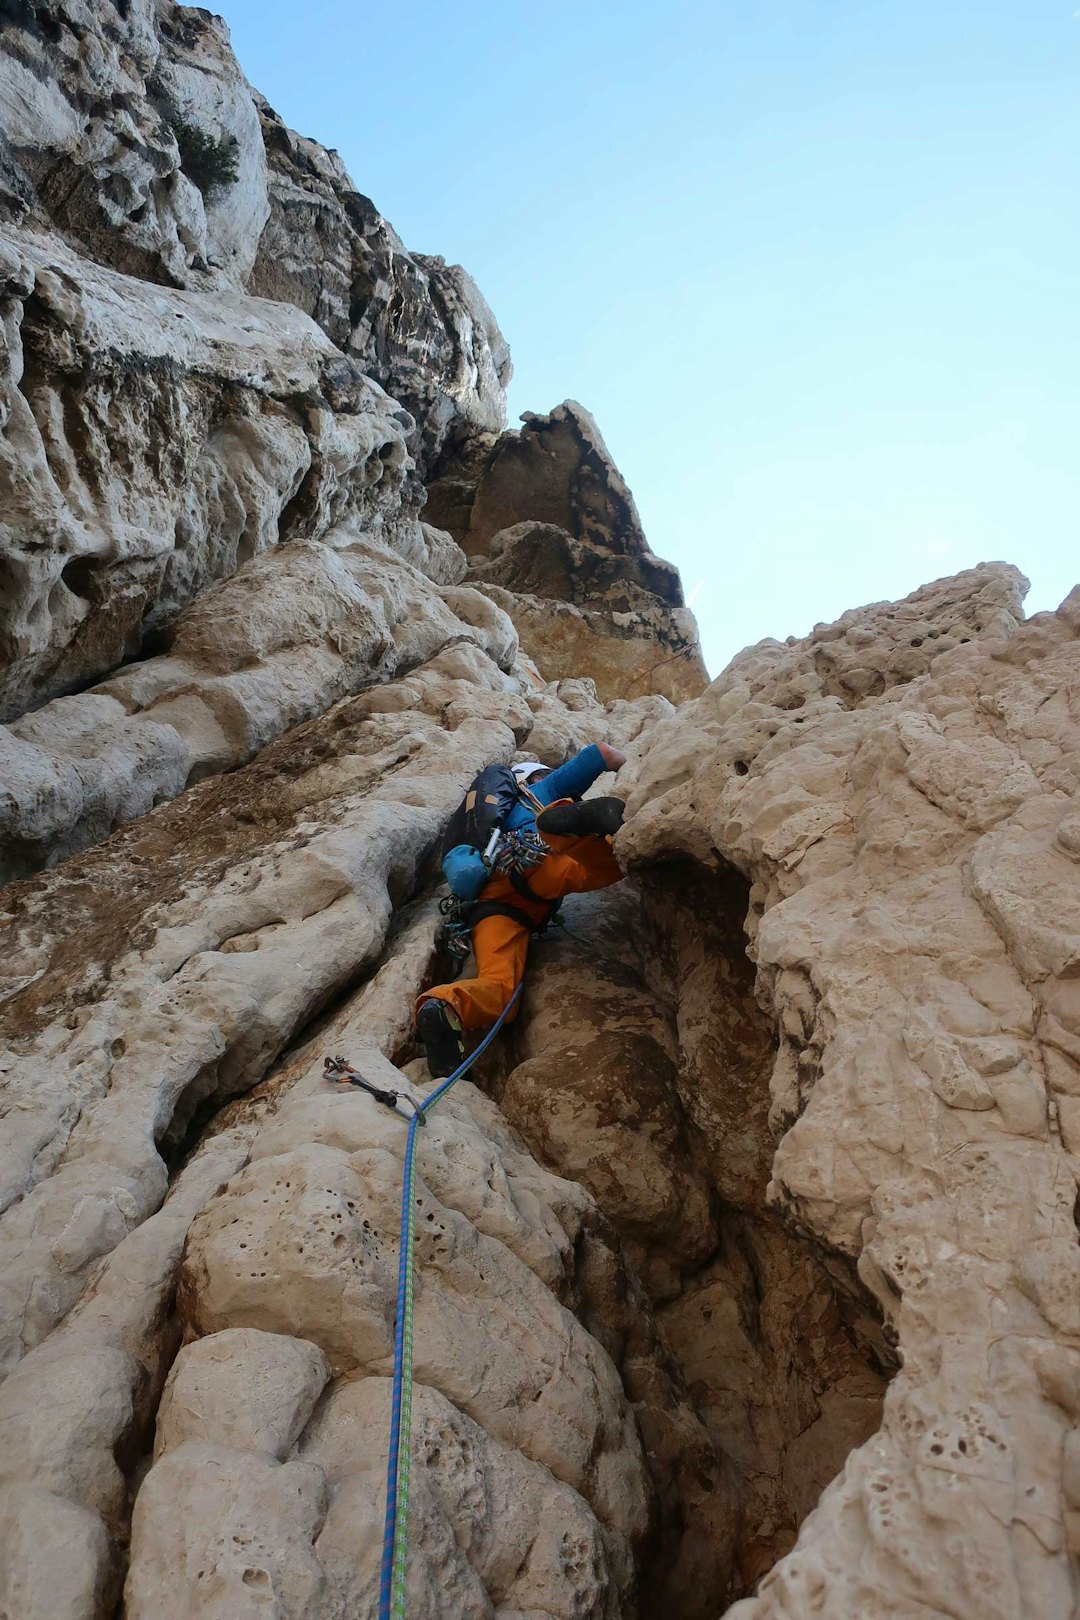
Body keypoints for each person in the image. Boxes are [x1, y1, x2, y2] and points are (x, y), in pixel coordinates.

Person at [415, 741, 628, 1076]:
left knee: (499, 988)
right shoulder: (538, 790)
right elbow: (600, 753)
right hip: (536, 865)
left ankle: (443, 1004)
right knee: (605, 866)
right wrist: (634, 764)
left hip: (493, 906)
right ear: (528, 779)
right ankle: (571, 832)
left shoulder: (478, 833)